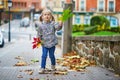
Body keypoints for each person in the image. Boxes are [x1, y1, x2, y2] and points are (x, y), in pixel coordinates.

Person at [36, 8, 63, 73]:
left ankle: (53, 65)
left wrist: (61, 24)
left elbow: (58, 28)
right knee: (44, 55)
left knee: (51, 55)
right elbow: (39, 34)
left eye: (48, 14)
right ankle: (42, 68)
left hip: (52, 43)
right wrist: (38, 42)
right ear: (42, 16)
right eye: (45, 14)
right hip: (44, 43)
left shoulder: (53, 23)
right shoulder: (40, 25)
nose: (47, 16)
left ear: (51, 16)